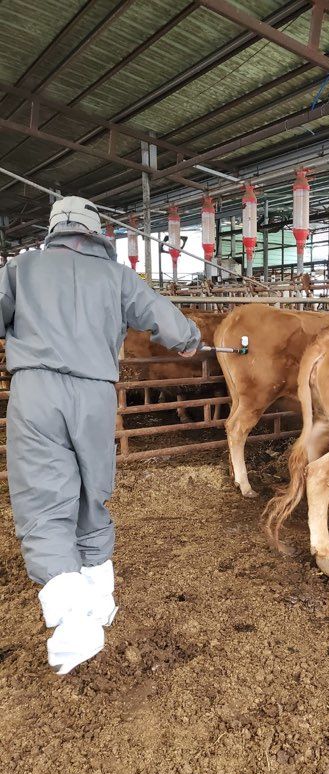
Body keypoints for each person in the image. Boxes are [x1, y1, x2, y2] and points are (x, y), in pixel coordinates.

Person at [0, 196, 201, 675]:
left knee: (46, 501)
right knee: (93, 491)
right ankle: (98, 600)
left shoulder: (21, 269)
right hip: (95, 393)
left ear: (54, 229)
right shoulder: (117, 276)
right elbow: (169, 323)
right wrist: (191, 340)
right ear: (96, 233)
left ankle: (74, 621)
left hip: (37, 390)